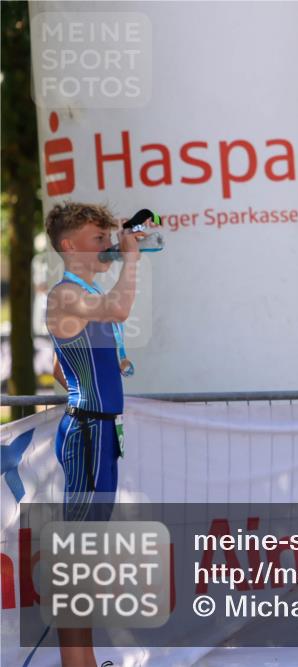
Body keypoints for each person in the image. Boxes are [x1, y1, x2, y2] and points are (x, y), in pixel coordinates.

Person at [44, 202, 145, 667]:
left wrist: (104, 367)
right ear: (69, 246)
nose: (106, 245)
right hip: (88, 430)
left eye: (107, 238)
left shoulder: (82, 294)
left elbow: (58, 370)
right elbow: (120, 306)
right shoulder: (66, 294)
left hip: (98, 430)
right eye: (96, 239)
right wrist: (132, 259)